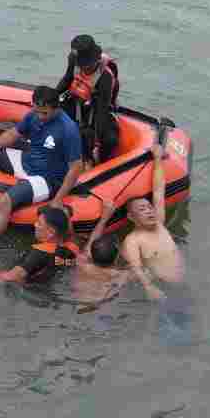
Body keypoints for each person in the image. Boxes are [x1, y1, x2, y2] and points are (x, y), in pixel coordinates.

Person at [0, 86, 87, 248]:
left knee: (5, 201)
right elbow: (12, 135)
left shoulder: (68, 129)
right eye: (37, 111)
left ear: (56, 108)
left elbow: (76, 167)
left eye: (44, 113)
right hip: (26, 161)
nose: (40, 116)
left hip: (46, 178)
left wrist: (58, 199)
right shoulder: (33, 115)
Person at [120, 137, 184, 300]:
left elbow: (158, 190)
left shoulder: (159, 223)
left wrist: (157, 159)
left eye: (149, 207)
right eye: (142, 209)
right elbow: (135, 267)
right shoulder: (133, 240)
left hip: (183, 286)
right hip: (164, 290)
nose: (149, 211)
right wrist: (149, 287)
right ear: (131, 217)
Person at [0, 206, 78, 290]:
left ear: (51, 232)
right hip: (48, 282)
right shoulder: (73, 248)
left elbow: (12, 276)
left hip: (27, 287)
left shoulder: (39, 252)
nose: (35, 225)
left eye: (39, 224)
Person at [55, 35, 121, 165]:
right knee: (54, 119)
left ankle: (99, 163)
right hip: (76, 100)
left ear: (96, 59)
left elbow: (102, 110)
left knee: (109, 139)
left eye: (87, 65)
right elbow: (67, 79)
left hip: (97, 107)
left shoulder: (105, 77)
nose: (84, 68)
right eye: (82, 65)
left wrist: (97, 140)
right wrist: (52, 96)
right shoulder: (73, 58)